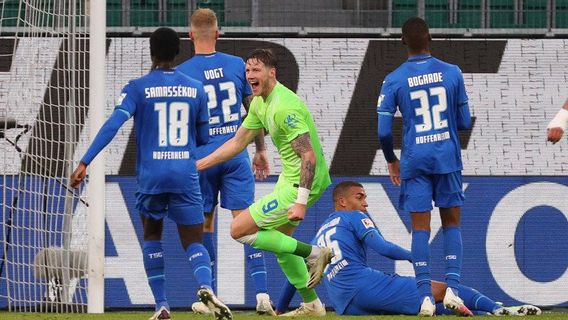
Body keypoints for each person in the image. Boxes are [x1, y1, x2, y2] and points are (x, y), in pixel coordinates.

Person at [70, 27, 231, 320]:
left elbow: (112, 125)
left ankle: (162, 305)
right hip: (185, 173)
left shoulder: (137, 87)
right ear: (178, 52)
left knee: (152, 235)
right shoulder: (195, 88)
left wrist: (85, 162)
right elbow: (205, 137)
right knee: (194, 240)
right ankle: (206, 289)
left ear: (151, 52)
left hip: (151, 177)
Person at [196, 48, 333, 316]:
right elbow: (237, 142)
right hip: (289, 179)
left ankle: (314, 253)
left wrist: (301, 202)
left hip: (301, 184)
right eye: (247, 70)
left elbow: (309, 156)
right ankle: (312, 305)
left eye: (256, 70)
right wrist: (199, 165)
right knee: (282, 245)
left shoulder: (285, 106)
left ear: (272, 73)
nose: (249, 75)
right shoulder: (259, 103)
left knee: (238, 229)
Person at [274, 181, 542, 317]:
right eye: (360, 197)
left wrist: (282, 307)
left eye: (365, 197)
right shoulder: (353, 217)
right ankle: (499, 309)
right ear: (341, 202)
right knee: (442, 290)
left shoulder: (321, 231)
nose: (365, 203)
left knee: (427, 307)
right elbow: (381, 247)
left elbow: (298, 272)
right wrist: (415, 256)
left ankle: (485, 312)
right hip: (363, 285)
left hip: (346, 304)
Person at [176, 8, 274, 315]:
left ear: (190, 35)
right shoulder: (235, 65)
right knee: (245, 224)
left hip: (202, 159)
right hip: (235, 156)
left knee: (204, 223)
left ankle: (210, 294)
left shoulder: (182, 73)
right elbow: (254, 109)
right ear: (218, 33)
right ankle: (261, 295)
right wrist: (260, 149)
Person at [376, 17, 472, 316]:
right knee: (451, 223)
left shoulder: (393, 78)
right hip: (446, 158)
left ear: (402, 41)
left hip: (415, 160)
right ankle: (453, 290)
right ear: (430, 38)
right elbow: (465, 122)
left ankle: (425, 299)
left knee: (420, 228)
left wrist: (392, 160)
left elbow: (382, 130)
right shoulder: (453, 72)